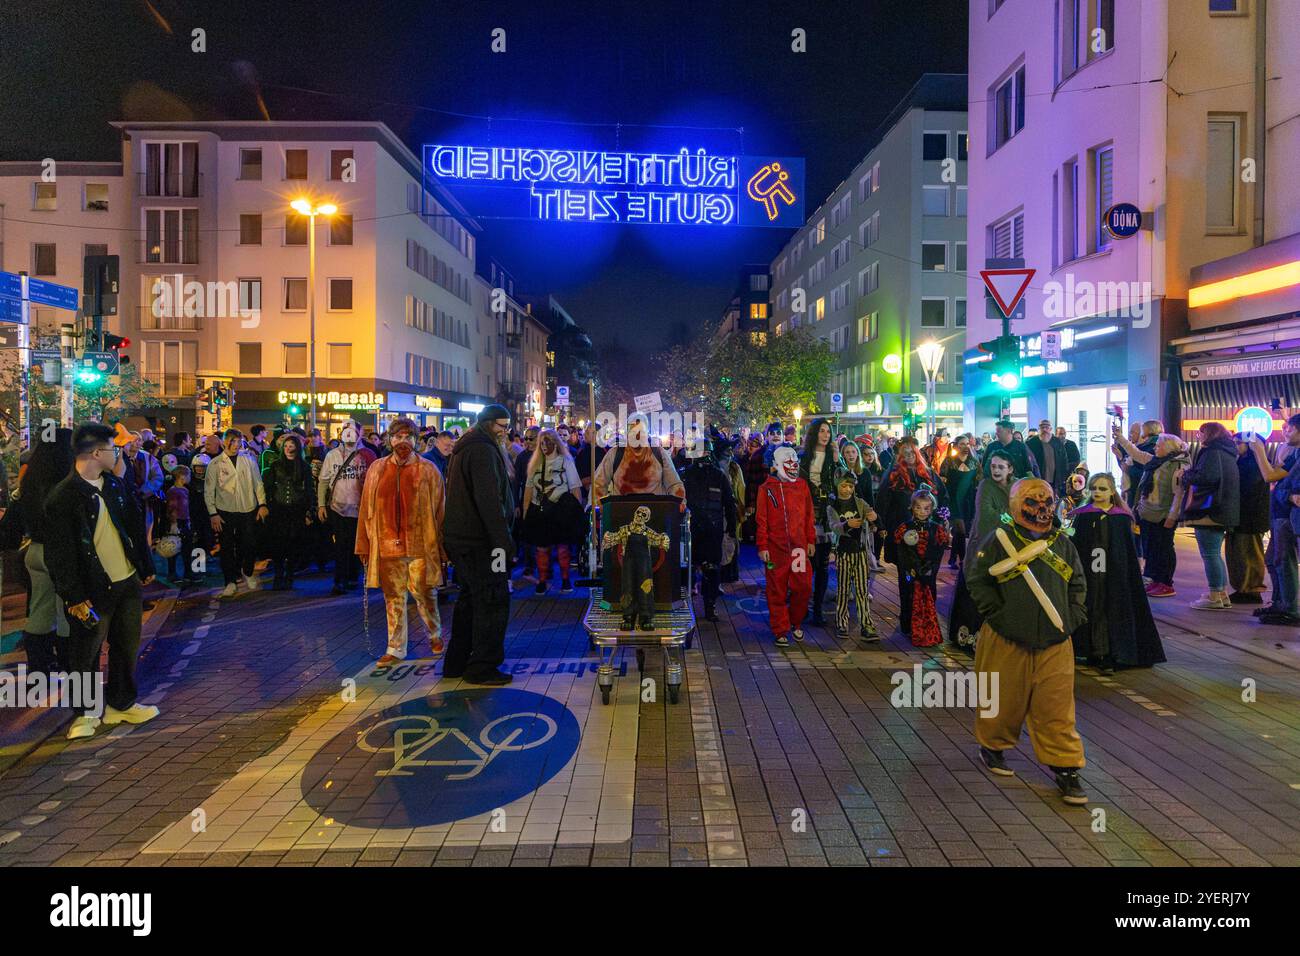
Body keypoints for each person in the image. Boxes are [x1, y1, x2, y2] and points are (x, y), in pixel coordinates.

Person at [966, 477, 1089, 805]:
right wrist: (998, 615)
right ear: (1014, 506)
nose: (1041, 509)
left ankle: (1066, 768)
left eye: (1046, 501)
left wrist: (1072, 617)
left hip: (1055, 640)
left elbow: (1078, 582)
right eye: (1032, 502)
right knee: (1002, 698)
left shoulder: (1063, 543)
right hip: (1006, 637)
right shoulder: (998, 540)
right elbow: (977, 578)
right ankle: (992, 746)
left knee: (1057, 706)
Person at [45, 423, 158, 740]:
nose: (118, 453)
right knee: (86, 652)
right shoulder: (63, 497)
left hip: (126, 580)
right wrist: (73, 596)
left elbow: (134, 526)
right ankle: (84, 713)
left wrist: (144, 565)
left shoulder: (115, 485)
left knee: (126, 646)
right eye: (113, 448)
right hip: (91, 589)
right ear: (96, 453)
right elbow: (61, 555)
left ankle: (121, 704)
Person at [355, 418, 445, 665]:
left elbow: (440, 509)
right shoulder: (377, 468)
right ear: (389, 440)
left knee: (424, 592)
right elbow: (365, 509)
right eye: (397, 437)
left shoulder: (428, 470)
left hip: (419, 544)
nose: (402, 442)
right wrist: (363, 543)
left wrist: (442, 546)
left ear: (416, 441)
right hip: (386, 545)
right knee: (393, 596)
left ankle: (434, 633)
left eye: (408, 437)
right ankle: (395, 648)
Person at [442, 404, 517, 686]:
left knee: (470, 600)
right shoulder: (482, 450)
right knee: (492, 600)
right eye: (501, 426)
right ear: (487, 423)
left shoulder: (468, 447)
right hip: (482, 542)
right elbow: (489, 501)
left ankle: (457, 662)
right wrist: (503, 543)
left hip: (466, 539)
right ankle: (483, 666)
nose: (505, 432)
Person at [1068, 473, 1166, 670]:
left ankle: (1110, 652)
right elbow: (1075, 546)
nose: (1097, 492)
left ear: (1112, 491)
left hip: (1114, 576)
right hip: (1089, 575)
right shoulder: (1083, 515)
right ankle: (1091, 651)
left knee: (1111, 610)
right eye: (1094, 488)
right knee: (1091, 609)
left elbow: (1126, 551)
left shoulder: (1120, 518)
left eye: (1102, 489)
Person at [10, 427, 74, 674]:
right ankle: (69, 667)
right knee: (66, 611)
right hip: (61, 554)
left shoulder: (30, 482)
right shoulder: (65, 484)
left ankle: (39, 668)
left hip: (34, 551)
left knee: (39, 611)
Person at [948, 448, 1015, 653]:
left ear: (1010, 469)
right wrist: (1010, 516)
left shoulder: (1017, 486)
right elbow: (986, 517)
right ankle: (970, 636)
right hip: (984, 548)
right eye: (993, 466)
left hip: (1008, 549)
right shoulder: (986, 486)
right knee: (976, 591)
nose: (996, 470)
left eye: (1000, 467)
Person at [1113, 428, 1189, 598]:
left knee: (1164, 549)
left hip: (1163, 515)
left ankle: (1166, 583)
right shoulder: (1155, 461)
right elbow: (1136, 452)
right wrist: (1120, 438)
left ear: (1169, 447)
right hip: (1147, 513)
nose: (1155, 448)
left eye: (1159, 445)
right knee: (1152, 548)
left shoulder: (1178, 465)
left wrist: (1172, 516)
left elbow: (1179, 494)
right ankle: (1156, 579)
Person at [1177, 422, 1240, 610]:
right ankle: (1221, 594)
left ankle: (1214, 596)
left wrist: (1186, 476)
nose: (1199, 436)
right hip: (1225, 509)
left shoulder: (1212, 453)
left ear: (1210, 434)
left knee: (1210, 554)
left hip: (1211, 510)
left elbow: (1207, 477)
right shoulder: (1228, 452)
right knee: (1215, 554)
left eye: (1201, 433)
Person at [756, 445, 815, 648]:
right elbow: (761, 519)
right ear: (776, 464)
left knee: (803, 586)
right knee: (776, 589)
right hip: (775, 550)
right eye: (787, 460)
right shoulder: (766, 489)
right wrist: (762, 545)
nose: (793, 464)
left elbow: (809, 516)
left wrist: (810, 540)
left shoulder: (802, 486)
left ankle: (795, 621)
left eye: (794, 459)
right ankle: (780, 629)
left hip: (798, 548)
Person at [205, 428, 269, 597]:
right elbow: (209, 490)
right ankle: (230, 581)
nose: (235, 445)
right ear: (224, 442)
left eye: (238, 442)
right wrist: (213, 513)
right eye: (231, 441)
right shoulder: (215, 464)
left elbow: (258, 483)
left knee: (248, 543)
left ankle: (246, 572)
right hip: (225, 510)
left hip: (248, 508)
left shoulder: (248, 460)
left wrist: (262, 504)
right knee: (226, 547)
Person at [1249, 416, 1300, 625]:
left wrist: (1259, 450)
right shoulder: (1292, 453)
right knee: (1274, 560)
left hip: (1288, 513)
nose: (1285, 432)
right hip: (1282, 511)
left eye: (1290, 428)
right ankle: (1280, 603)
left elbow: (1270, 476)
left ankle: (1289, 608)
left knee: (1283, 561)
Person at [680, 436, 737, 622]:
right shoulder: (685, 475)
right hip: (691, 529)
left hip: (713, 529)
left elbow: (729, 504)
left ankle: (710, 604)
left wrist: (731, 530)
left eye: (705, 451)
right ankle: (686, 603)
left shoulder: (719, 476)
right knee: (687, 568)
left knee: (712, 570)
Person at [521, 428, 584, 594]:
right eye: (541, 442)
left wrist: (576, 512)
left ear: (555, 444)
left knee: (563, 547)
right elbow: (528, 489)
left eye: (547, 442)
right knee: (542, 547)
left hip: (560, 510)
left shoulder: (565, 462)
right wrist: (526, 511)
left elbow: (575, 488)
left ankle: (565, 579)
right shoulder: (534, 464)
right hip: (540, 509)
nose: (543, 446)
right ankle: (542, 581)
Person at [318, 420, 375, 595]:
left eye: (352, 430)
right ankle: (340, 580)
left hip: (361, 508)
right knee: (341, 544)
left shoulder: (369, 454)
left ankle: (353, 576)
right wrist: (321, 504)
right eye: (345, 430)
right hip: (338, 507)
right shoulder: (332, 455)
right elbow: (324, 481)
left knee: (356, 544)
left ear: (359, 434)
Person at [892, 487, 950, 645]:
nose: (922, 511)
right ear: (912, 507)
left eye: (926, 508)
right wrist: (910, 568)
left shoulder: (936, 529)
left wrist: (929, 567)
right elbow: (901, 550)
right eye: (918, 507)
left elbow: (940, 548)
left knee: (929, 595)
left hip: (928, 571)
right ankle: (907, 625)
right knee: (907, 594)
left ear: (932, 509)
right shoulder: (905, 527)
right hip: (909, 570)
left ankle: (926, 626)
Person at [877, 438, 947, 565]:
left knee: (926, 568)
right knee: (905, 570)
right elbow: (883, 501)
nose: (909, 456)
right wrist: (881, 525)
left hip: (927, 529)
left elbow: (942, 496)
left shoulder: (929, 473)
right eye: (905, 453)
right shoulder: (893, 475)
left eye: (912, 452)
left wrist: (943, 517)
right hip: (902, 528)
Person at [826, 472, 878, 640]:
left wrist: (872, 518)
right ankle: (842, 622)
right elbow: (833, 526)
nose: (847, 490)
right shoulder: (833, 505)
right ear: (837, 486)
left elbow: (872, 516)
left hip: (861, 550)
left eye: (850, 486)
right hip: (844, 552)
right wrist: (846, 524)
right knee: (843, 589)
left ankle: (866, 624)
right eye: (844, 486)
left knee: (862, 589)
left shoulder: (860, 502)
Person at [261, 434, 315, 591]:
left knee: (293, 544)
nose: (288, 449)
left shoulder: (304, 466)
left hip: (296, 509)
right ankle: (279, 576)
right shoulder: (276, 465)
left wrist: (310, 510)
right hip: (279, 509)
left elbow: (309, 490)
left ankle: (289, 576)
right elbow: (268, 487)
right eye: (285, 446)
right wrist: (265, 505)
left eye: (291, 446)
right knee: (278, 544)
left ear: (297, 448)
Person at [799, 418, 839, 626]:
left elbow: (841, 484)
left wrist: (837, 458)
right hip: (805, 515)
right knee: (805, 565)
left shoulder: (833, 460)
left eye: (828, 431)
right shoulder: (803, 457)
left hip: (825, 516)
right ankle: (802, 606)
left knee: (823, 567)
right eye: (822, 431)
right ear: (814, 433)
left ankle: (817, 609)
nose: (826, 435)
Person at [591, 414, 685, 502]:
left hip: (655, 514)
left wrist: (679, 502)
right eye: (633, 431)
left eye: (641, 432)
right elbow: (598, 484)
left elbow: (674, 484)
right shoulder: (614, 453)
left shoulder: (659, 453)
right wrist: (598, 505)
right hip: (621, 514)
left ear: (647, 433)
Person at [1227, 432, 1270, 604]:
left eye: (1238, 443)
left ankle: (1252, 589)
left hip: (1251, 517)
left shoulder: (1256, 464)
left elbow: (1249, 490)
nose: (1235, 446)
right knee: (1237, 553)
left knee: (1249, 553)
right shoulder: (1241, 462)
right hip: (1240, 516)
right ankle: (1242, 588)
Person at [940, 433, 980, 569]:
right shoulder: (949, 461)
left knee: (960, 531)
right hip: (953, 499)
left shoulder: (974, 461)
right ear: (956, 446)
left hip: (967, 500)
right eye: (962, 444)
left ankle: (952, 558)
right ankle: (963, 560)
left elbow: (978, 480)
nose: (965, 446)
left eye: (967, 443)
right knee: (960, 529)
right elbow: (942, 478)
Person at [163, 465, 201, 586]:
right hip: (177, 522)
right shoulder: (174, 491)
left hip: (184, 521)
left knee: (187, 548)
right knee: (174, 548)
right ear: (182, 477)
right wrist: (173, 524)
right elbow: (172, 508)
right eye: (188, 475)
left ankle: (188, 572)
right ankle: (172, 573)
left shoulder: (184, 490)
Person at [1026, 419, 1068, 495]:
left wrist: (1062, 479)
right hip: (1037, 481)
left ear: (1051, 429)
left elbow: (1064, 462)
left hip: (1055, 482)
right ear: (1039, 429)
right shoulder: (1031, 443)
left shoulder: (1058, 443)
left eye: (1047, 427)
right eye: (1042, 427)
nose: (1044, 429)